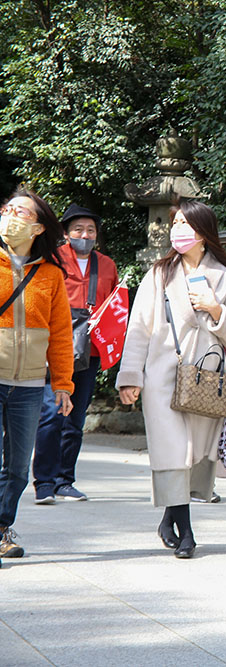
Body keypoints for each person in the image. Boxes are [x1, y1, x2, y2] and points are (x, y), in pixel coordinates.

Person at [117, 200, 226, 559]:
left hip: (207, 377)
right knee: (173, 450)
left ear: (205, 233)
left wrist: (215, 308)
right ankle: (186, 531)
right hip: (162, 377)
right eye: (175, 223)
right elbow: (138, 328)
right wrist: (130, 376)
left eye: (186, 224)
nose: (178, 230)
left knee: (196, 453)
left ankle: (168, 519)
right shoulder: (158, 274)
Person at [0, 189, 74, 559]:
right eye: (7, 209)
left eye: (20, 212)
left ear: (37, 227)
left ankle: (2, 528)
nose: (10, 216)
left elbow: (61, 334)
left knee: (16, 468)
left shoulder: (50, 276)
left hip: (28, 385)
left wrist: (62, 383)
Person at [32, 204, 119, 504]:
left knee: (76, 418)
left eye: (91, 230)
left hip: (90, 350)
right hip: (56, 347)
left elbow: (114, 309)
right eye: (79, 229)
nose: (85, 235)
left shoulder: (107, 265)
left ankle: (64, 480)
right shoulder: (51, 261)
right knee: (51, 414)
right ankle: (43, 481)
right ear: (66, 233)